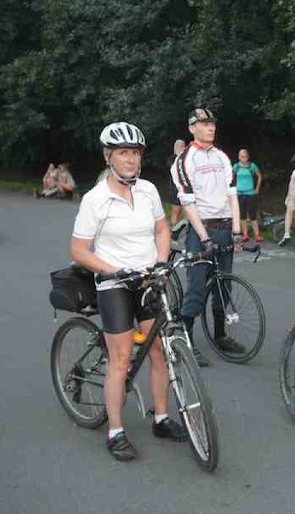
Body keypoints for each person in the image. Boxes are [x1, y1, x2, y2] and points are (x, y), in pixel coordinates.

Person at [70, 122, 187, 461]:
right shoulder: (96, 200)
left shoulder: (148, 190)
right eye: (123, 152)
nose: (131, 159)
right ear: (109, 157)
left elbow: (162, 228)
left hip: (149, 281)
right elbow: (78, 251)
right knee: (120, 360)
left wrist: (161, 261)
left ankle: (162, 418)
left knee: (158, 352)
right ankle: (115, 431)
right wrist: (113, 270)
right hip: (115, 285)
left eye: (135, 153)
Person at [171, 108, 244, 367]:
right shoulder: (184, 160)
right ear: (192, 128)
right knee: (197, 288)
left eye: (212, 123)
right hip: (201, 230)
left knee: (224, 286)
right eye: (204, 124)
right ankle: (185, 339)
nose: (210, 127)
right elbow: (188, 204)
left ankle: (221, 335)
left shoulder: (222, 157)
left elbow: (232, 194)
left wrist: (236, 230)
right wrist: (203, 238)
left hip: (224, 227)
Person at [234, 148, 264, 242]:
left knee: (252, 214)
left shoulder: (252, 166)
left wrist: (257, 188)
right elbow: (230, 176)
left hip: (250, 192)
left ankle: (257, 235)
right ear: (239, 157)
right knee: (242, 214)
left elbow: (259, 176)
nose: (243, 158)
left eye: (245, 156)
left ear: (247, 157)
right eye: (241, 157)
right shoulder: (236, 166)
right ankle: (245, 234)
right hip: (239, 193)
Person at [167, 139, 187, 226]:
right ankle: (173, 230)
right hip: (175, 188)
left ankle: (186, 230)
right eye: (180, 146)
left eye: (183, 146)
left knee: (188, 210)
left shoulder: (187, 158)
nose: (182, 148)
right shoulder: (171, 159)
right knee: (176, 210)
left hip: (186, 188)